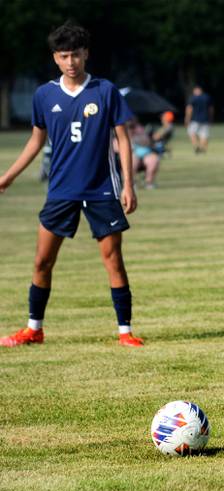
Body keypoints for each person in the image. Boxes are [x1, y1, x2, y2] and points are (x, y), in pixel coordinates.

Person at [0, 22, 144, 348]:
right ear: (55, 58)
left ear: (86, 54)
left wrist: (128, 185)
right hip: (61, 191)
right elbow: (36, 141)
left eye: (76, 55)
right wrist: (9, 175)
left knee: (113, 261)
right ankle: (33, 329)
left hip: (102, 190)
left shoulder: (105, 91)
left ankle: (125, 332)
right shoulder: (44, 95)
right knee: (42, 261)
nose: (70, 62)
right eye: (64, 56)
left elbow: (123, 139)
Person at [185, 85, 213, 154]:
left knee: (191, 133)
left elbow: (189, 109)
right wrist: (211, 118)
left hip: (195, 119)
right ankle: (202, 148)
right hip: (205, 119)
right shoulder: (207, 97)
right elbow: (211, 109)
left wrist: (187, 119)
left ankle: (196, 146)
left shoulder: (193, 98)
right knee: (204, 135)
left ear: (195, 90)